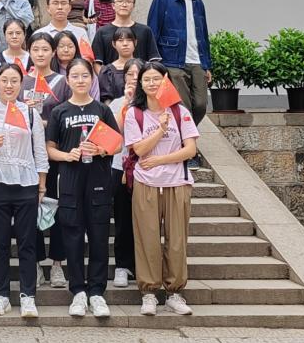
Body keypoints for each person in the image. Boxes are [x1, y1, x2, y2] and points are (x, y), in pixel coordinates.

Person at [46, 58, 121, 319]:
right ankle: (78, 290)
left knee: (99, 237)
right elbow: (50, 148)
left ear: (92, 79)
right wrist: (67, 155)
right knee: (73, 237)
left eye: (85, 76)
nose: (80, 80)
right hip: (70, 180)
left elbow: (117, 144)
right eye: (75, 76)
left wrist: (101, 150)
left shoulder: (102, 110)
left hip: (98, 181)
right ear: (67, 80)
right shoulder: (59, 111)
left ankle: (97, 292)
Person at [125, 61, 199, 316]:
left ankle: (174, 292)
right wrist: (161, 130)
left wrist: (160, 160)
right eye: (146, 79)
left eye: (156, 78)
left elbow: (190, 150)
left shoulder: (180, 111)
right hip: (146, 183)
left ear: (166, 80)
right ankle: (149, 292)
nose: (152, 83)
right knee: (147, 239)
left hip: (177, 182)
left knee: (176, 240)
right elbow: (139, 149)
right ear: (140, 84)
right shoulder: (134, 113)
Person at [0, 62, 48, 318]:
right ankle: (0, 295)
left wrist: (42, 184)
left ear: (21, 84)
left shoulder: (29, 113)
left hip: (26, 182)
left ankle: (28, 295)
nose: (9, 86)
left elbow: (40, 151)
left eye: (14, 81)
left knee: (27, 243)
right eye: (4, 80)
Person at [20, 32, 69, 287]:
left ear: (53, 52)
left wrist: (44, 124)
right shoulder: (21, 82)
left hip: (55, 154)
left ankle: (58, 263)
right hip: (27, 156)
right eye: (35, 49)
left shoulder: (62, 82)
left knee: (58, 207)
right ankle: (37, 263)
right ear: (29, 51)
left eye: (45, 49)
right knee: (31, 209)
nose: (40, 54)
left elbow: (67, 116)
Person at [147, 0, 212, 133]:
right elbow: (153, 32)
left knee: (201, 105)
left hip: (197, 61)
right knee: (183, 105)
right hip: (172, 61)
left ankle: (185, 134)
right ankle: (188, 142)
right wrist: (155, 64)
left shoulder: (198, 3)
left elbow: (204, 35)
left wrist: (207, 65)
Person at [108, 58, 143, 288]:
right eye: (130, 74)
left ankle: (143, 265)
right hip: (120, 167)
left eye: (138, 75)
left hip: (148, 169)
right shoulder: (116, 104)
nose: (134, 79)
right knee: (122, 218)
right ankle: (122, 265)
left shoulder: (154, 104)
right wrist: (128, 104)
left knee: (145, 220)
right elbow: (115, 135)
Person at [91, 0, 161, 66]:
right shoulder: (102, 32)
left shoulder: (145, 30)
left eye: (128, 1)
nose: (124, 5)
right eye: (120, 1)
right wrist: (105, 74)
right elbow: (97, 63)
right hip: (110, 73)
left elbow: (154, 60)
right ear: (113, 5)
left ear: (133, 6)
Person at [99, 26, 139, 103]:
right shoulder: (107, 71)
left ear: (135, 42)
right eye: (120, 40)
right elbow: (106, 100)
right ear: (114, 44)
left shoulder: (144, 67)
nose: (125, 44)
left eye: (129, 40)